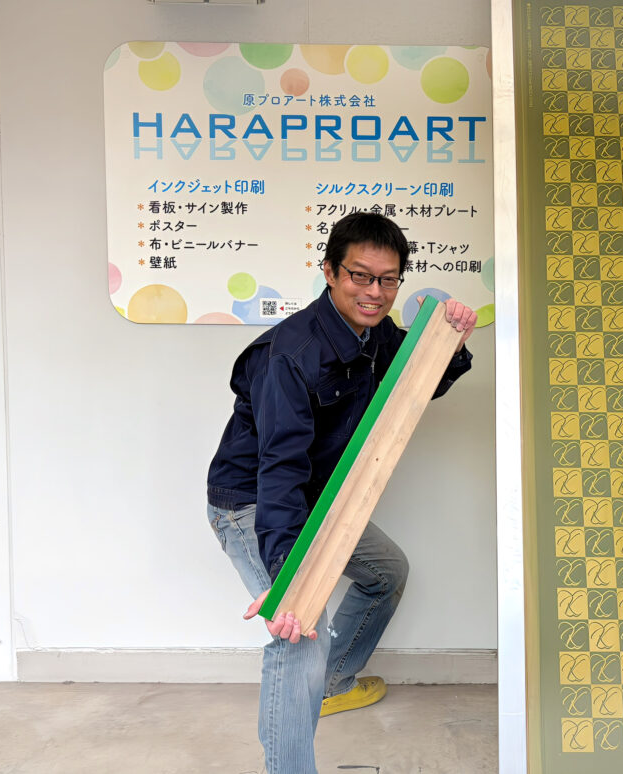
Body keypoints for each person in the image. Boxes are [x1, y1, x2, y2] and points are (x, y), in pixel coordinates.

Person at [206, 211, 476, 774]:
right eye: (360, 276)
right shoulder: (288, 354)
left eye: (388, 279)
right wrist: (287, 577)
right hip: (253, 503)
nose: (374, 292)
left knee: (386, 572)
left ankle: (331, 684)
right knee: (299, 630)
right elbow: (279, 470)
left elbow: (416, 382)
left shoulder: (376, 332)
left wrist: (450, 342)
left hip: (324, 499)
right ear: (330, 272)